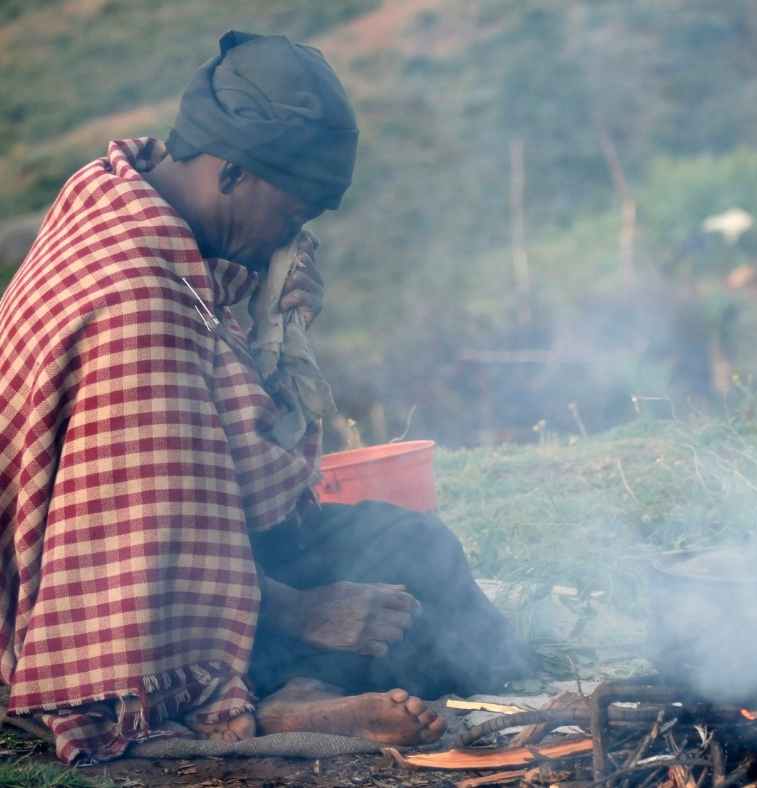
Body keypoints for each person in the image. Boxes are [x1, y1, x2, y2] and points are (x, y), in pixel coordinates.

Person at [0, 31, 529, 764]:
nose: (298, 233)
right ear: (233, 174)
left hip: (173, 539)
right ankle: (277, 698)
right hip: (97, 604)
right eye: (295, 210)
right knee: (398, 607)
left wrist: (267, 316)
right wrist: (310, 610)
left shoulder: (128, 189)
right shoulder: (137, 304)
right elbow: (144, 551)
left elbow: (210, 450)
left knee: (413, 547)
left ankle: (309, 686)